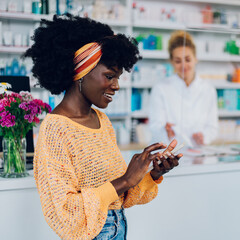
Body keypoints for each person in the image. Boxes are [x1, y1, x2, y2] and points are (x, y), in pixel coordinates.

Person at [25, 14, 182, 240]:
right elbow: (65, 212)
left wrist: (153, 173)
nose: (116, 86)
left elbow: (119, 196)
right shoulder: (55, 129)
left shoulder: (102, 121)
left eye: (117, 77)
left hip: (118, 229)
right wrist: (126, 179)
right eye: (109, 76)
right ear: (81, 73)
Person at [149, 30, 218, 147]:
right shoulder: (161, 88)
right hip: (170, 155)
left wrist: (204, 137)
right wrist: (165, 131)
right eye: (178, 61)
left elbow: (213, 127)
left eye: (188, 59)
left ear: (195, 58)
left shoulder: (208, 89)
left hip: (198, 153)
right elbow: (155, 126)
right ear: (171, 62)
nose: (183, 66)